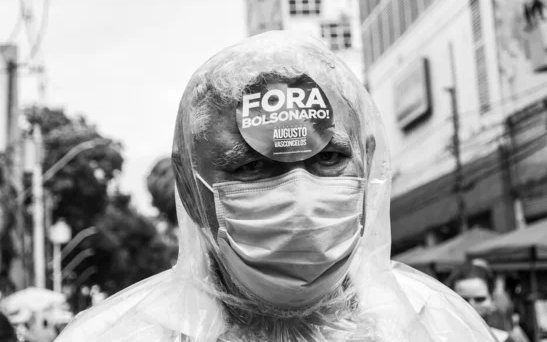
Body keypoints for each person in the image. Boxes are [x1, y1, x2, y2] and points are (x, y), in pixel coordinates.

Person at [55, 31, 497, 341]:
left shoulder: (441, 327)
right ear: (191, 189)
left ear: (368, 161)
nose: (300, 199)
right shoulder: (119, 336)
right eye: (251, 168)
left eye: (329, 159)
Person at [447, 261, 521, 342]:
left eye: (480, 299)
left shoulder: (503, 339)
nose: (471, 305)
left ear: (492, 300)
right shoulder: (437, 336)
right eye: (463, 300)